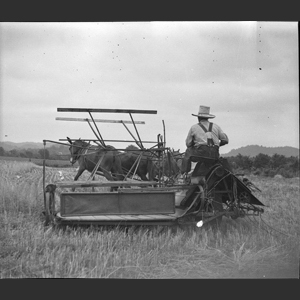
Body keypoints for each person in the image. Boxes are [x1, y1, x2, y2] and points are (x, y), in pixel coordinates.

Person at [181, 105, 229, 179]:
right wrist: (218, 145)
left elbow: (188, 144)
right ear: (208, 118)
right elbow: (225, 140)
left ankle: (184, 174)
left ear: (198, 118)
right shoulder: (216, 126)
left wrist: (195, 144)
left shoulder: (194, 127)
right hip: (214, 154)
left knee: (188, 152)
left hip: (201, 153)